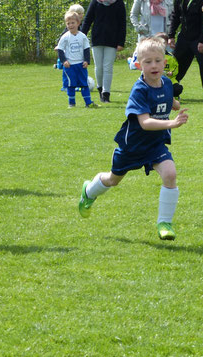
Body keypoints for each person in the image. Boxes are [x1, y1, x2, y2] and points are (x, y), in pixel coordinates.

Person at [78, 36, 188, 241]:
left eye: (157, 61)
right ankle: (89, 191)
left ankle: (165, 223)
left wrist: (176, 106)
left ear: (165, 62)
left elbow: (170, 100)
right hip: (133, 146)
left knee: (170, 174)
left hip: (155, 145)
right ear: (138, 65)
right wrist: (172, 123)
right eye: (147, 62)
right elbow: (145, 123)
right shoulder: (139, 90)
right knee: (113, 180)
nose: (153, 65)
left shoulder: (165, 82)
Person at [167, 0, 203, 102]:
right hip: (184, 37)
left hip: (200, 38)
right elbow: (175, 16)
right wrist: (171, 35)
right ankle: (173, 91)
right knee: (176, 64)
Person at [81, 0, 127, 103]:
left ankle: (106, 93)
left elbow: (122, 23)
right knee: (99, 67)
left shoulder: (119, 3)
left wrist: (121, 42)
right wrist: (80, 37)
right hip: (97, 39)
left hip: (112, 40)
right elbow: (88, 20)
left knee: (108, 67)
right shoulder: (95, 2)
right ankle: (100, 88)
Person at [56, 11, 100, 108]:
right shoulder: (65, 37)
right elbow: (59, 49)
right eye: (68, 23)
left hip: (81, 65)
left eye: (72, 23)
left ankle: (88, 102)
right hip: (70, 66)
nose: (70, 25)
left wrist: (86, 61)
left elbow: (86, 49)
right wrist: (64, 61)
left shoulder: (82, 36)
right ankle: (71, 103)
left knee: (84, 84)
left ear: (78, 23)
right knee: (71, 85)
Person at [54, 4, 86, 92]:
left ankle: (78, 85)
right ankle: (65, 85)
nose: (81, 15)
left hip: (77, 54)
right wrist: (58, 46)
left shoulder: (81, 26)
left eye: (82, 13)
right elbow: (62, 39)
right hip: (68, 54)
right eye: (79, 13)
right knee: (67, 70)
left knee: (79, 70)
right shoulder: (69, 28)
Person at [155, 32, 184, 97]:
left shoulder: (171, 56)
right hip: (156, 80)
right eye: (159, 42)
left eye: (163, 42)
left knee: (178, 88)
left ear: (167, 43)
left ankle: (173, 97)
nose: (161, 45)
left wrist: (172, 73)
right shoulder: (152, 56)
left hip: (170, 79)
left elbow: (176, 67)